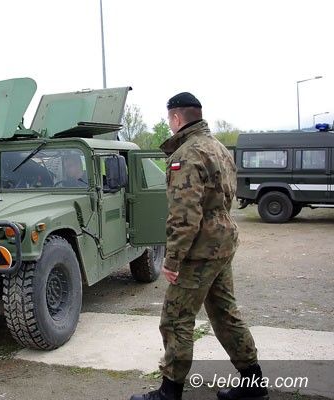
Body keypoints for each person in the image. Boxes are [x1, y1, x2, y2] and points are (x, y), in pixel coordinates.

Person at [129, 93, 267, 400]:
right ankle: (253, 383)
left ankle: (169, 392)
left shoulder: (187, 154)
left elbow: (185, 215)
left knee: (176, 318)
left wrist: (172, 260)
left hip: (199, 251)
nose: (169, 124)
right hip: (222, 243)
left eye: (169, 119)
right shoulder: (218, 147)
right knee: (225, 312)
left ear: (177, 118)